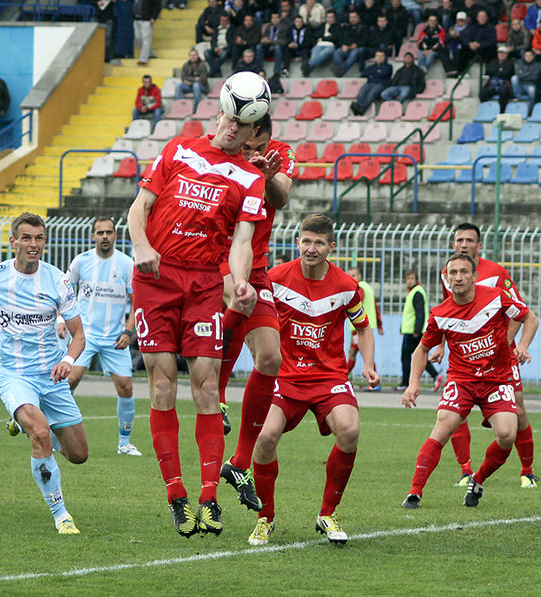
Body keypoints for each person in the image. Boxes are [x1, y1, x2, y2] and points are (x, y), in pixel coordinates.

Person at [126, 97, 266, 538]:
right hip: (156, 278)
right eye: (229, 118)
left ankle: (209, 497)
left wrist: (240, 281)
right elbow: (138, 209)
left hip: (206, 283)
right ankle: (176, 496)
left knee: (207, 386)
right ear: (219, 115)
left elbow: (242, 241)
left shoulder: (251, 177)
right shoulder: (178, 149)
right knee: (163, 382)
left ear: (251, 134)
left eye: (242, 126)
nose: (231, 128)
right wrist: (142, 247)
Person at [247, 214, 379, 546]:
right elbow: (250, 316)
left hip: (328, 376)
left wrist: (368, 363)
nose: (311, 248)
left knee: (349, 430)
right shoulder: (275, 279)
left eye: (319, 242)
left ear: (331, 247)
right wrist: (257, 353)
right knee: (264, 438)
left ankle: (327, 513)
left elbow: (363, 327)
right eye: (306, 241)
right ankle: (265, 518)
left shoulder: (347, 287)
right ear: (298, 243)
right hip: (285, 375)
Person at [0, 212, 88, 535]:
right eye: (27, 238)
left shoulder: (57, 279)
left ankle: (22, 425)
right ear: (13, 242)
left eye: (39, 238)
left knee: (78, 454)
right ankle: (61, 514)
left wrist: (70, 360)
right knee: (41, 432)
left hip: (51, 375)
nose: (33, 245)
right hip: (12, 374)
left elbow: (78, 335)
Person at [400, 252, 539, 510]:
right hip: (462, 379)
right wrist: (413, 384)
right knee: (444, 425)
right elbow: (421, 349)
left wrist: (522, 345)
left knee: (508, 434)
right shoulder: (440, 313)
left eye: (464, 272)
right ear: (446, 278)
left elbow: (529, 317)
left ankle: (478, 479)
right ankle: (414, 492)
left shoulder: (496, 298)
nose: (458, 277)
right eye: (453, 273)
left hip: (497, 380)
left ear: (475, 276)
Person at [216, 114, 291, 512]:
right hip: (217, 257)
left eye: (254, 145)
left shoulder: (279, 154)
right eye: (243, 145)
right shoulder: (219, 150)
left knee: (271, 357)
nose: (248, 150)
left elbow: (281, 198)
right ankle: (220, 395)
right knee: (234, 296)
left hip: (257, 264)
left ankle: (239, 462)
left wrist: (265, 175)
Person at [435, 222, 540, 488]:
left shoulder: (495, 273)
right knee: (455, 411)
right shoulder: (447, 274)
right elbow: (449, 313)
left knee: (517, 407)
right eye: (459, 240)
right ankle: (465, 470)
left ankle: (526, 471)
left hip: (500, 358)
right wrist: (440, 345)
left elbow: (519, 311)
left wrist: (507, 344)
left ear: (479, 245)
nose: (464, 245)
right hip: (465, 358)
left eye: (469, 240)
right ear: (453, 245)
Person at [63, 217, 140, 456]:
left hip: (115, 337)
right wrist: (60, 321)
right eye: (100, 232)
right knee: (69, 382)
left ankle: (124, 443)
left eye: (109, 232)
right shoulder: (81, 261)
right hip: (84, 335)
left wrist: (129, 332)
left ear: (116, 236)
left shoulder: (127, 264)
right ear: (93, 236)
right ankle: (59, 435)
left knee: (126, 387)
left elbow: (137, 301)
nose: (105, 236)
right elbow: (64, 291)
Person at [398, 269, 442, 391]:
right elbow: (408, 313)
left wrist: (417, 330)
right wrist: (402, 327)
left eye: (412, 278)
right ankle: (435, 375)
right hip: (409, 330)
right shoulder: (413, 292)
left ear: (416, 280)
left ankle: (405, 383)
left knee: (407, 357)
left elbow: (420, 313)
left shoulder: (417, 293)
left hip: (413, 331)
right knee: (417, 356)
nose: (409, 281)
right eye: (408, 278)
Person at [346, 266, 383, 383]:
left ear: (359, 276)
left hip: (360, 327)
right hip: (367, 326)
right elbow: (376, 307)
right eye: (349, 276)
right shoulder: (368, 287)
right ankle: (344, 378)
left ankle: (343, 378)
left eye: (353, 275)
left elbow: (355, 305)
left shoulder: (359, 288)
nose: (351, 278)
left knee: (361, 353)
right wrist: (380, 325)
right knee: (359, 353)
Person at [350, 49, 392, 115]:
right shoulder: (371, 66)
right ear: (375, 57)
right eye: (378, 56)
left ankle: (361, 109)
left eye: (381, 56)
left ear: (384, 57)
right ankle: (359, 108)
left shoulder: (388, 66)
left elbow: (384, 74)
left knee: (371, 94)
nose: (379, 58)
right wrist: (377, 72)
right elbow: (365, 73)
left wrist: (373, 74)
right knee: (361, 93)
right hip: (370, 83)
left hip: (381, 84)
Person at [333, 11, 371, 77]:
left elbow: (366, 40)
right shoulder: (346, 27)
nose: (352, 19)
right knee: (337, 52)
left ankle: (342, 71)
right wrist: (343, 45)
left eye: (354, 17)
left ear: (358, 17)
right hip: (347, 47)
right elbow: (341, 38)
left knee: (354, 53)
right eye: (351, 17)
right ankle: (339, 69)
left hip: (359, 48)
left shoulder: (364, 27)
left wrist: (356, 45)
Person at [304, 9, 341, 76]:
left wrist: (323, 38)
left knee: (324, 53)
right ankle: (307, 70)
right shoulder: (322, 26)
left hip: (330, 46)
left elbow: (335, 38)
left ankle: (308, 66)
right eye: (328, 17)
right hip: (319, 45)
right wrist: (328, 37)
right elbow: (316, 35)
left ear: (335, 18)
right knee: (314, 53)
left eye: (331, 17)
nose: (330, 19)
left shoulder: (338, 27)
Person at [479, 46, 515, 112]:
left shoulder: (510, 63)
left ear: (507, 54)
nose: (501, 55)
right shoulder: (492, 62)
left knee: (504, 93)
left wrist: (496, 72)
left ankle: (501, 112)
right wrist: (500, 71)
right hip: (493, 84)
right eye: (500, 53)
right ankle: (486, 110)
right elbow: (489, 71)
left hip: (504, 84)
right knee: (482, 93)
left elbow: (507, 73)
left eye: (503, 53)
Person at [259, 12, 291, 78]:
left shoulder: (285, 28)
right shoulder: (268, 27)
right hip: (268, 48)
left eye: (276, 18)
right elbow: (264, 37)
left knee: (277, 48)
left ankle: (276, 72)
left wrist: (271, 41)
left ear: (280, 19)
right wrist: (263, 40)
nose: (275, 20)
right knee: (258, 47)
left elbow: (284, 41)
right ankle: (259, 70)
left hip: (279, 48)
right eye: (273, 18)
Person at [134, 0, 162, 65]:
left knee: (146, 39)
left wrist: (154, 17)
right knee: (137, 37)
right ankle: (151, 53)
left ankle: (143, 59)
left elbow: (158, 5)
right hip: (136, 18)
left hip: (146, 19)